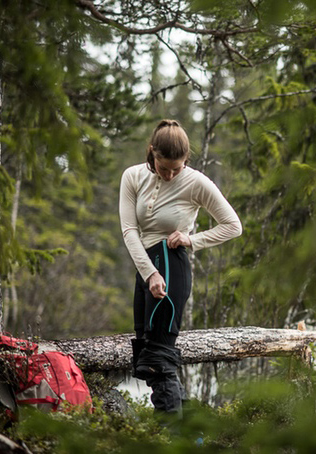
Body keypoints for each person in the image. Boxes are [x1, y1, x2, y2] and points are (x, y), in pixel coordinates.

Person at [119, 119, 242, 417]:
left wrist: (191, 239)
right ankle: (195, 424)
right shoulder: (132, 176)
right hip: (146, 269)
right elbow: (129, 231)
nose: (171, 174)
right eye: (165, 168)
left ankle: (169, 434)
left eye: (178, 168)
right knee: (146, 356)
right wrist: (149, 273)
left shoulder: (196, 182)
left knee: (158, 360)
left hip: (171, 267)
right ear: (152, 152)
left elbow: (233, 225)